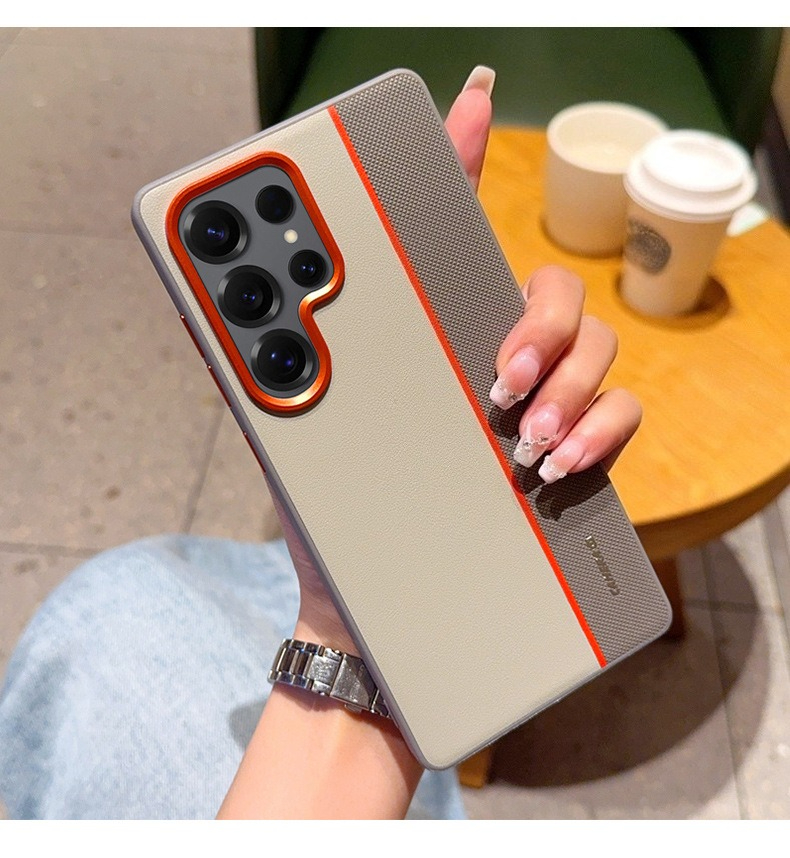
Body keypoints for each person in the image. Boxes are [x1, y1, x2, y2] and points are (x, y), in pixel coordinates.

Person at [0, 67, 641, 820]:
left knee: (114, 604)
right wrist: (365, 646)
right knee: (118, 603)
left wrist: (356, 644)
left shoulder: (107, 622)